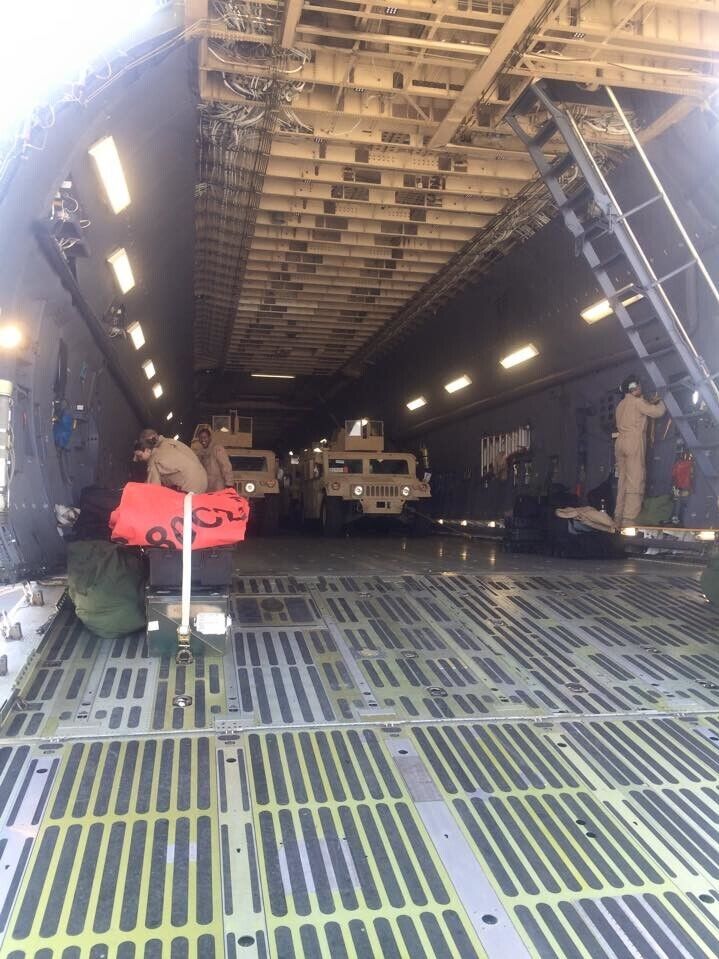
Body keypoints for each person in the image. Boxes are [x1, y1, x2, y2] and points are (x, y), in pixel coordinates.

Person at [613, 375, 666, 528]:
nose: (641, 388)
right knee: (635, 481)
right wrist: (661, 400)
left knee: (622, 482)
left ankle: (618, 518)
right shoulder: (637, 402)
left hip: (620, 442)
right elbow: (657, 412)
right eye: (639, 386)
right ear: (634, 388)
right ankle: (629, 521)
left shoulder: (620, 405)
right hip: (633, 441)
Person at [134, 429, 208, 493]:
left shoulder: (155, 457)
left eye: (139, 456)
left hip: (191, 486)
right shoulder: (171, 442)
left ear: (147, 449)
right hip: (203, 479)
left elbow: (153, 489)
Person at [195, 425, 234, 492]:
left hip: (218, 487)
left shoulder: (217, 448)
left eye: (205, 437)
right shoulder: (200, 451)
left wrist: (229, 484)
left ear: (210, 438)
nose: (203, 440)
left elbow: (226, 466)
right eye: (200, 438)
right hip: (206, 487)